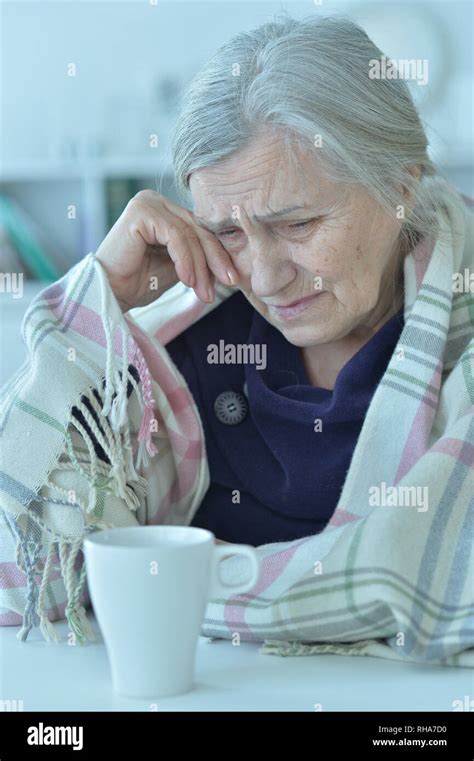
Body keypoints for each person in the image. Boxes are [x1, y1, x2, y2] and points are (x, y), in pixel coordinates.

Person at [1, 14, 472, 666]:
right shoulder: (174, 346)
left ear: (400, 186)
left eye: (299, 223)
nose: (264, 275)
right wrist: (94, 302)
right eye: (226, 232)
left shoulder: (461, 338)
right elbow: (23, 574)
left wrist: (191, 584)